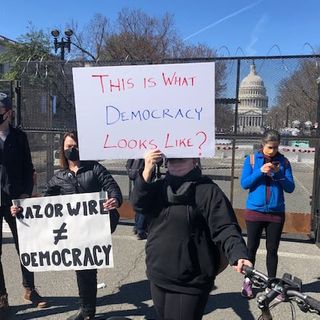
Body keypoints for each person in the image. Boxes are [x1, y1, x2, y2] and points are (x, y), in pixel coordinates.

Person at [13, 131, 123, 320]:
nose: (72, 150)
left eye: (75, 146)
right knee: (82, 267)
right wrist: (22, 209)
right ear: (62, 151)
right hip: (74, 231)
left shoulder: (95, 169)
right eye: (68, 147)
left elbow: (112, 187)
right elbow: (42, 203)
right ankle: (87, 310)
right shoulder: (60, 177)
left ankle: (87, 311)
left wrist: (114, 200)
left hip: (95, 228)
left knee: (87, 267)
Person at [131, 150, 252, 320]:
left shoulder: (208, 191)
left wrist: (238, 253)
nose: (176, 159)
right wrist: (146, 171)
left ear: (195, 158)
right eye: (172, 156)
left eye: (182, 154)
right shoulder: (158, 187)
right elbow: (138, 205)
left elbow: (225, 227)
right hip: (158, 274)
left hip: (190, 281)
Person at [0, 92, 48, 314]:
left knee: (25, 247)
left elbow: (29, 168)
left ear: (8, 112)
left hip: (17, 201)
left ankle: (30, 289)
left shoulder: (19, 137)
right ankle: (2, 296)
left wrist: (26, 196)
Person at [240, 129, 295, 299]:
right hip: (255, 211)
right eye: (270, 147)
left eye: (276, 147)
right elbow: (244, 184)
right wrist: (260, 171)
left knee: (272, 250)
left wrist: (278, 173)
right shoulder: (251, 160)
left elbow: (290, 187)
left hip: (276, 212)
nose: (273, 151)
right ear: (263, 144)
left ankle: (272, 284)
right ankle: (248, 281)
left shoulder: (284, 162)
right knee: (251, 248)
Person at [126, 158, 162, 240]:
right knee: (145, 200)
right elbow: (157, 161)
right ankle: (140, 229)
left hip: (135, 172)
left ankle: (137, 226)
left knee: (139, 199)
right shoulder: (148, 151)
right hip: (145, 172)